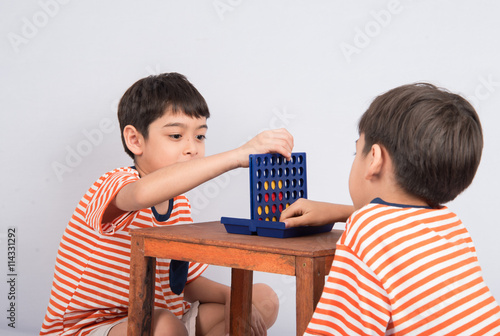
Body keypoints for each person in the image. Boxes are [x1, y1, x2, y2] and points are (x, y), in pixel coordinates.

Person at [40, 73, 292, 336]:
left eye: (200, 137)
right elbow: (141, 194)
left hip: (163, 320)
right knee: (165, 325)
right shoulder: (115, 184)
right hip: (92, 327)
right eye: (175, 135)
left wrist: (236, 299)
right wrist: (238, 155)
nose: (192, 149)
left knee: (260, 298)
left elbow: (185, 283)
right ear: (135, 140)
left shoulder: (180, 204)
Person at [280, 83, 500, 335]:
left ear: (374, 159)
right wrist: (343, 212)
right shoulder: (451, 225)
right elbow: (404, 227)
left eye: (356, 151)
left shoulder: (367, 231)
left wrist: (358, 218)